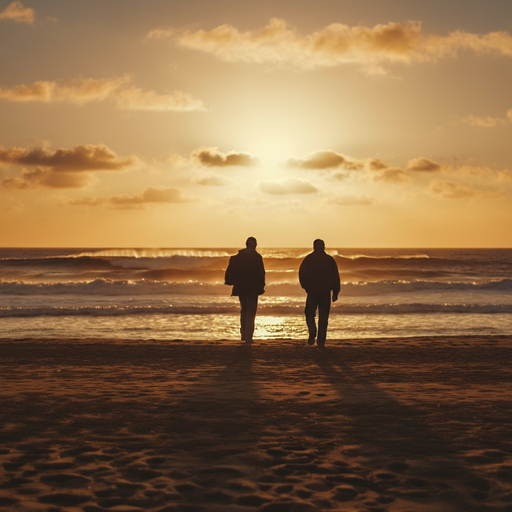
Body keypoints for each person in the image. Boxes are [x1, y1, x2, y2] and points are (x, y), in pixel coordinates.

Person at [299, 239, 340, 347]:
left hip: (315, 292)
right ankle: (320, 341)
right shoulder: (329, 260)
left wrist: (305, 286)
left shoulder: (309, 259)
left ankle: (313, 332)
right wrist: (335, 291)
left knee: (310, 314)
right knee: (322, 318)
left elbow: (302, 274)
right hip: (322, 293)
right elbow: (335, 277)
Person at [225, 237, 265, 343]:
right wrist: (261, 287)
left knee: (244, 310)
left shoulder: (239, 256)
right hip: (252, 288)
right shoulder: (257, 257)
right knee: (250, 312)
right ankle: (248, 337)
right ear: (255, 245)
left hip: (241, 288)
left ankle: (243, 334)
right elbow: (261, 274)